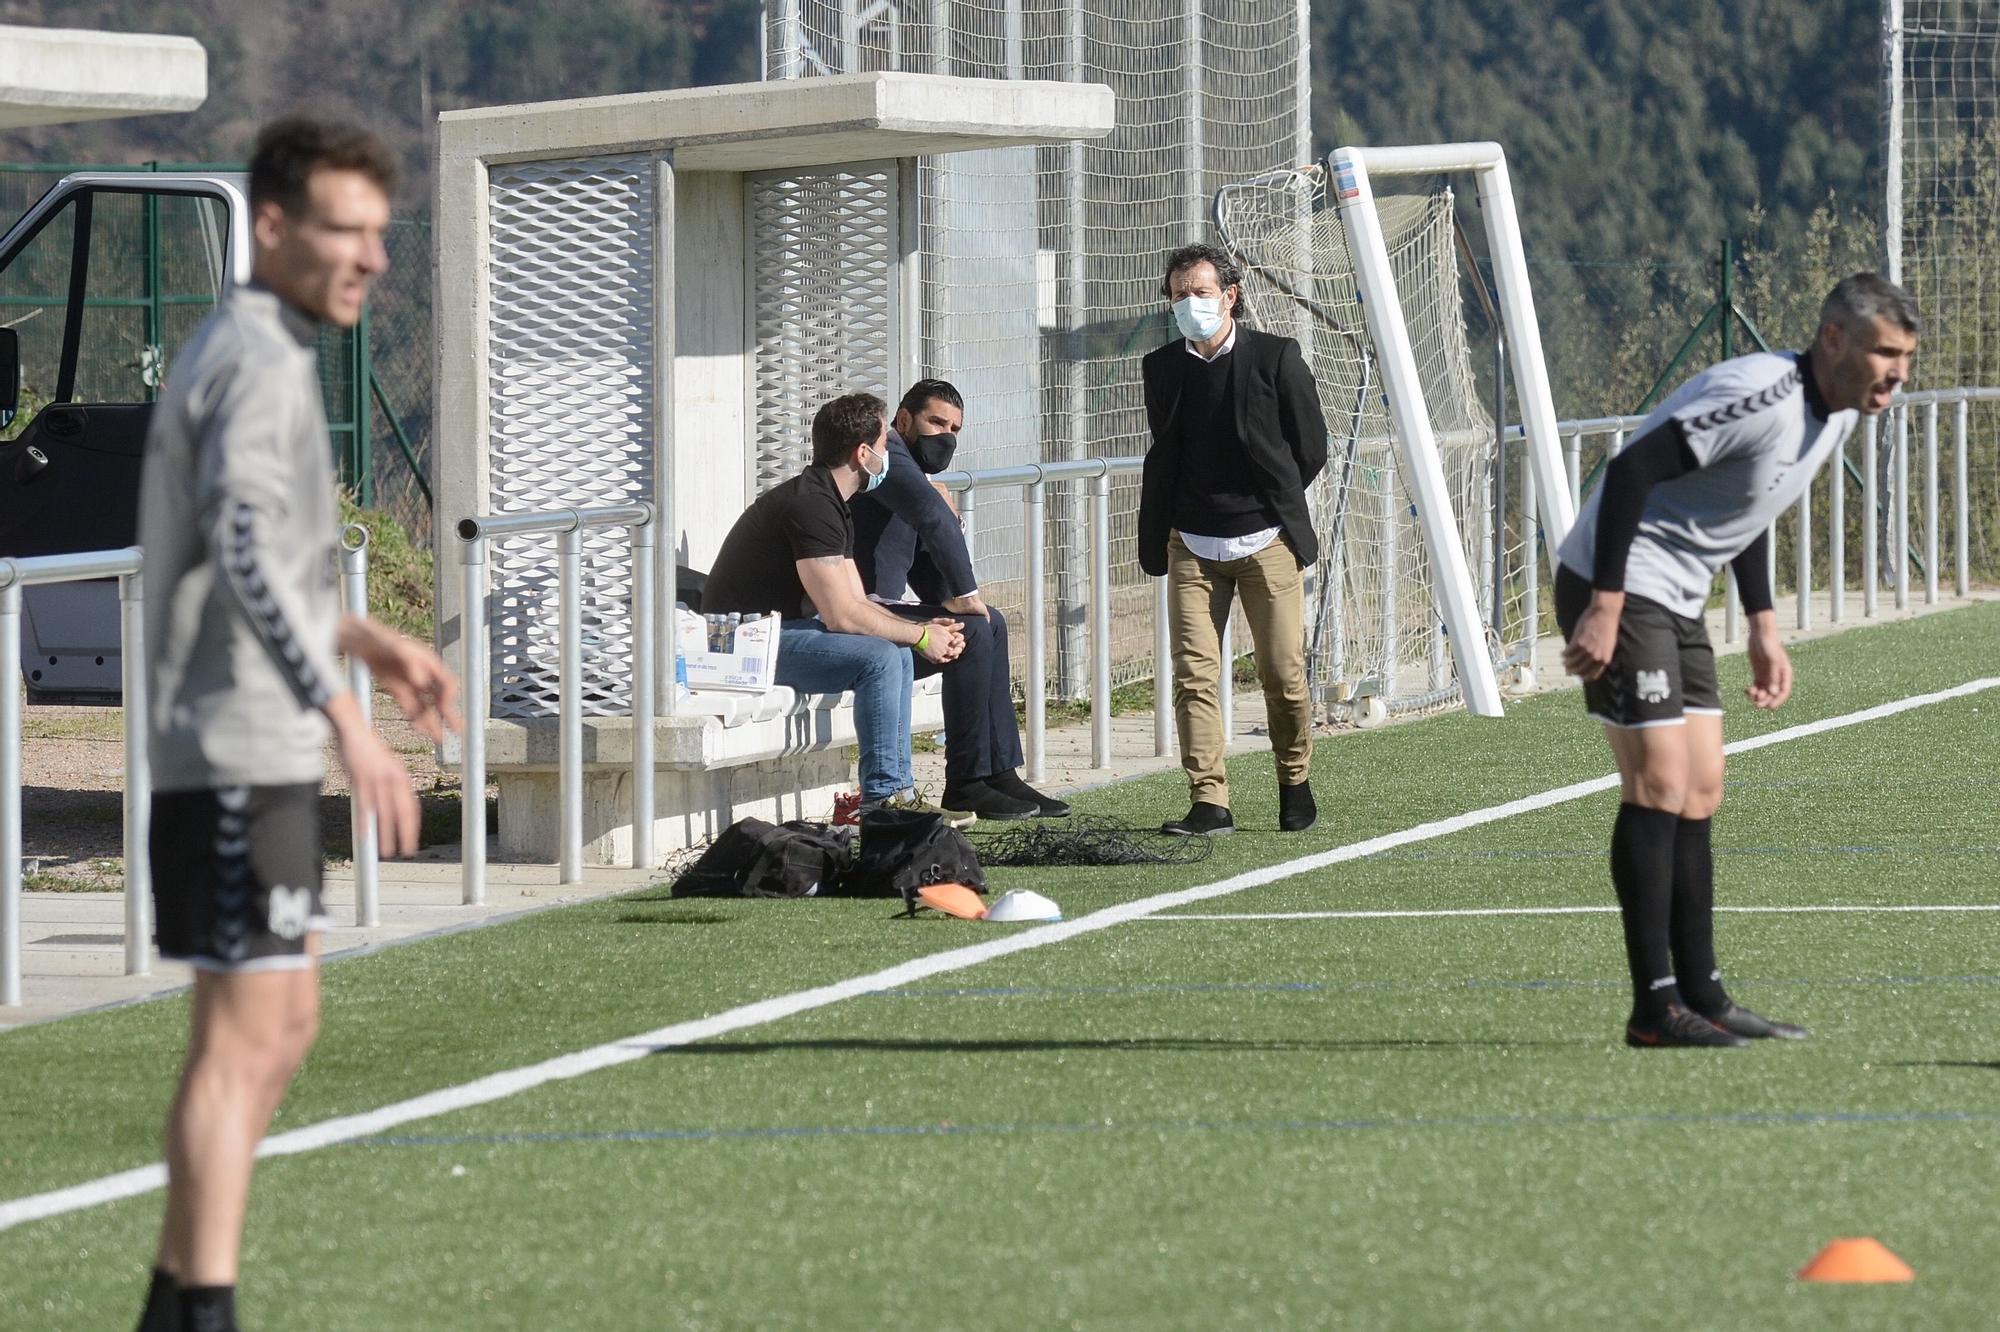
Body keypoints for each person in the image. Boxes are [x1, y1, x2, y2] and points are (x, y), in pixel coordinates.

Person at [133, 118, 461, 1332]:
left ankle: (176, 1305)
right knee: (241, 1039)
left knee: (283, 1025)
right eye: (344, 229)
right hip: (230, 753)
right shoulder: (260, 360)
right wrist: (352, 726)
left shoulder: (260, 345)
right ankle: (201, 1309)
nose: (371, 257)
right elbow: (240, 554)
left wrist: (369, 640)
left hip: (251, 751)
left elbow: (270, 560)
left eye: (380, 232)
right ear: (272, 228)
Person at [1555, 272, 1918, 1049]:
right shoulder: (1765, 395)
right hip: (1615, 580)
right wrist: (1606, 606)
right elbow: (1630, 472)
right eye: (1885, 352)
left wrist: (1762, 624)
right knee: (1658, 780)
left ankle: (1704, 995)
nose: (1897, 372)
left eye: (1906, 358)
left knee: (1702, 787)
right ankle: (1654, 1009)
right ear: (1833, 341)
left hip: (1679, 594)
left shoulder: (1841, 416)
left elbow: (1747, 506)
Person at [701, 391, 969, 820]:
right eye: (886, 446)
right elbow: (841, 616)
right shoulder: (810, 504)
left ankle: (901, 795)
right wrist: (921, 634)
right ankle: (882, 803)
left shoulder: (831, 501)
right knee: (880, 657)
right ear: (864, 454)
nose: (890, 457)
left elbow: (856, 600)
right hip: (737, 642)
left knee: (894, 650)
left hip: (771, 632)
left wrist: (920, 629)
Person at [1137, 243, 1328, 836]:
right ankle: (1209, 799)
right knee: (1194, 673)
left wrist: (1275, 499)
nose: (1189, 304)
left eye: (1199, 292)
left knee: (1283, 672)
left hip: (1266, 541)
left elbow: (1310, 446)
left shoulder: (1277, 358)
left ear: (1230, 295)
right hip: (1190, 542)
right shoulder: (1162, 368)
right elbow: (1168, 449)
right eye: (1177, 295)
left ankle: (1294, 778)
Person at [850, 377, 1071, 820]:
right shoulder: (886, 455)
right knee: (972, 624)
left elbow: (925, 572)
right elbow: (931, 519)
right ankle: (966, 781)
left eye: (954, 430)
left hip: (879, 611)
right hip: (853, 614)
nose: (945, 437)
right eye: (936, 422)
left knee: (990, 622)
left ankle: (998, 772)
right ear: (904, 419)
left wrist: (959, 597)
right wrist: (967, 597)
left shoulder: (916, 479)